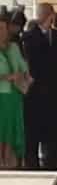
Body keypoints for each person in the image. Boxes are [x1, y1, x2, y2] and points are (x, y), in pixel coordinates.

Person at [22, 3, 57, 170]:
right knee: (34, 130)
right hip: (37, 91)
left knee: (55, 131)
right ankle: (32, 164)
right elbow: (33, 61)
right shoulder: (29, 36)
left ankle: (54, 163)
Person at [0, 15, 30, 168]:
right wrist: (8, 77)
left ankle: (8, 163)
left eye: (4, 29)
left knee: (11, 132)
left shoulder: (14, 48)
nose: (2, 32)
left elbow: (24, 68)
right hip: (1, 95)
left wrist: (26, 78)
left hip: (14, 95)